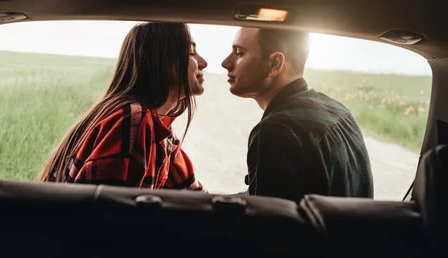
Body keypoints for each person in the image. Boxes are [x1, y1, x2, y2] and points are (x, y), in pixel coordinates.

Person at [37, 22, 207, 190]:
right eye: (191, 52)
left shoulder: (160, 132)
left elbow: (193, 197)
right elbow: (106, 213)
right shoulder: (132, 121)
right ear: (162, 60)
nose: (203, 62)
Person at [221, 27, 373, 202]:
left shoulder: (277, 131)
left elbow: (268, 222)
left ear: (275, 64)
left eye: (239, 53)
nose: (226, 62)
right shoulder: (338, 109)